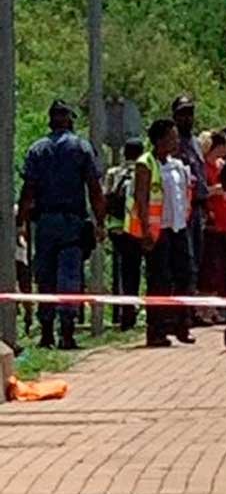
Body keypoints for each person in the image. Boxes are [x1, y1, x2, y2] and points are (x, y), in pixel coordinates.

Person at [16, 99, 106, 350]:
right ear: (67, 119)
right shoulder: (81, 147)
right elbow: (94, 188)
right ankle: (67, 332)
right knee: (69, 275)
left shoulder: (37, 149)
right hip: (72, 222)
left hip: (45, 223)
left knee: (45, 275)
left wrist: (20, 222)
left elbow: (28, 191)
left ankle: (46, 333)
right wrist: (101, 221)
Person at [127, 119, 195, 347]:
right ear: (159, 140)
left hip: (178, 227)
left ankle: (182, 325)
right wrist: (146, 230)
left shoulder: (177, 165)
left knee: (184, 275)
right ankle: (157, 329)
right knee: (159, 280)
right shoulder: (145, 163)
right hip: (158, 230)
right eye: (171, 137)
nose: (176, 141)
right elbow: (141, 198)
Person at [171, 95, 207, 314]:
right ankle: (181, 313)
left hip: (199, 209)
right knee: (184, 262)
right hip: (182, 211)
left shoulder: (194, 142)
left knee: (196, 263)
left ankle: (190, 311)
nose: (187, 118)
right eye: (183, 113)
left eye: (190, 113)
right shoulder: (173, 144)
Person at [104, 137, 144, 331]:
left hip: (116, 227)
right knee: (134, 271)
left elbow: (105, 198)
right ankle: (130, 311)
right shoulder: (143, 171)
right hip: (135, 228)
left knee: (122, 270)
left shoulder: (114, 172)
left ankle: (122, 311)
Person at [198, 131, 226, 309]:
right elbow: (201, 191)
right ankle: (205, 308)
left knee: (223, 267)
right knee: (210, 267)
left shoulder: (222, 165)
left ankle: (220, 304)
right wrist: (215, 190)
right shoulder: (203, 167)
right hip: (211, 222)